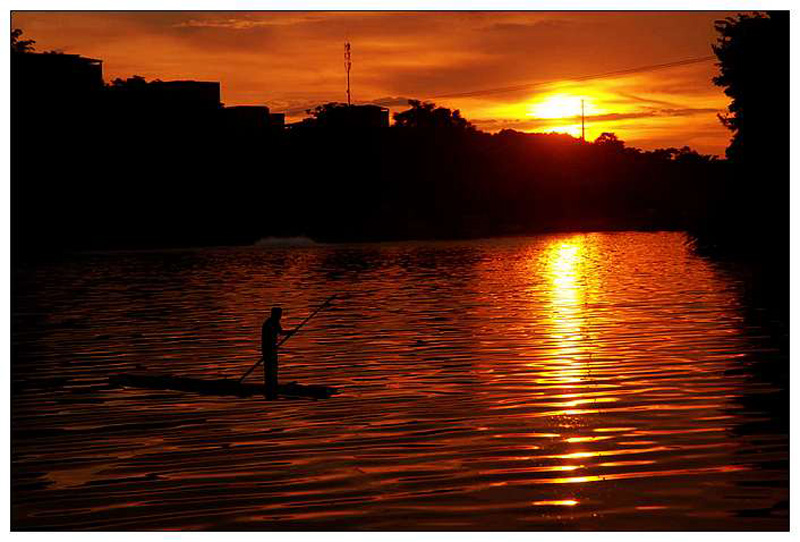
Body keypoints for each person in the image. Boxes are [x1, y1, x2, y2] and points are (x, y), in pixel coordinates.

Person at [261, 307, 291, 400]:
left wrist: (290, 332)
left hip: (273, 348)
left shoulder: (275, 322)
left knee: (274, 366)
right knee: (269, 367)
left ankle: (273, 384)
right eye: (279, 314)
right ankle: (269, 386)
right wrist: (271, 348)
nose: (280, 316)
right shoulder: (269, 323)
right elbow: (268, 337)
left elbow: (280, 332)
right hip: (268, 348)